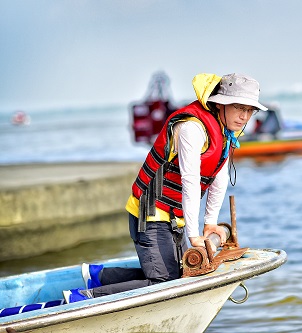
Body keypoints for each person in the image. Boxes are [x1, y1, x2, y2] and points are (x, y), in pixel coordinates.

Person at [63, 73, 267, 303]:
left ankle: (98, 276)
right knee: (165, 283)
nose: (244, 116)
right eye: (238, 108)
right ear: (221, 103)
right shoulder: (193, 129)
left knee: (179, 273)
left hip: (173, 216)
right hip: (150, 212)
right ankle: (82, 297)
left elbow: (218, 180)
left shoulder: (225, 133)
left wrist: (210, 223)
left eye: (250, 110)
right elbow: (190, 182)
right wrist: (194, 236)